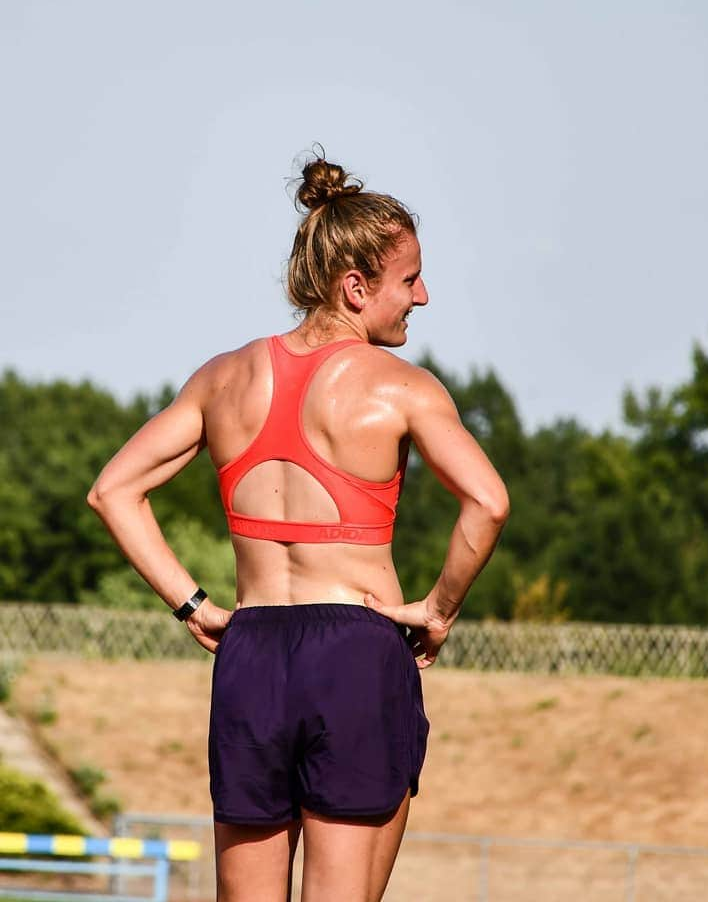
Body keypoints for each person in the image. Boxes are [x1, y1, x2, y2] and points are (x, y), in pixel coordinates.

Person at [86, 150, 510, 902]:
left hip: (251, 655)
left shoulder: (224, 377)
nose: (423, 296)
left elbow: (113, 490)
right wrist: (438, 611)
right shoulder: (401, 388)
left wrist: (194, 605)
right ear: (357, 286)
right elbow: (489, 502)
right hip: (356, 651)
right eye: (409, 280)